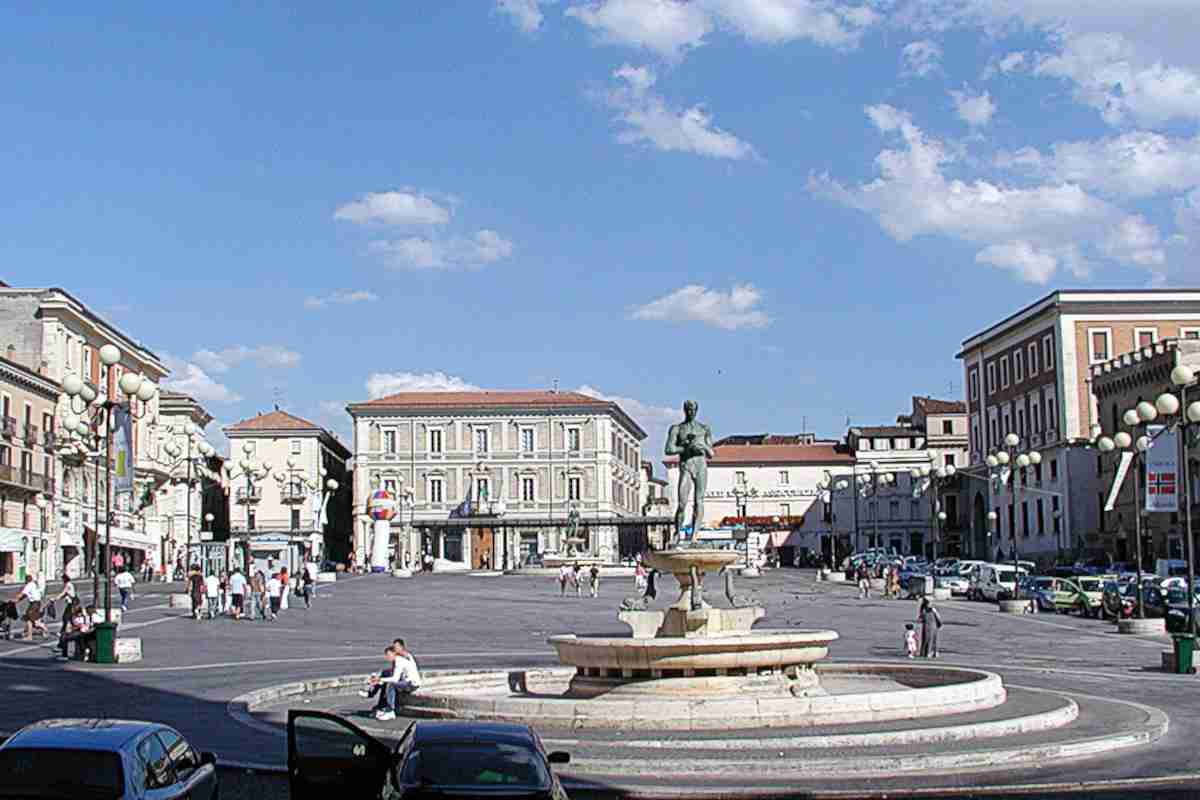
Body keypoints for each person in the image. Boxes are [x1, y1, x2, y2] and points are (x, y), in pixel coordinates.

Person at [375, 640, 422, 721]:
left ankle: (391, 711)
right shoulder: (398, 659)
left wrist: (379, 679)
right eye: (386, 655)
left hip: (412, 683)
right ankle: (382, 706)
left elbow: (395, 679)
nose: (387, 657)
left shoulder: (401, 660)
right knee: (386, 679)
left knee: (391, 684)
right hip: (407, 681)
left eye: (389, 655)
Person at [12, 575, 47, 640]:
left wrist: (15, 598)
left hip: (34, 604)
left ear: (26, 580)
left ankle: (42, 629)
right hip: (37, 603)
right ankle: (30, 635)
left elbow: (21, 594)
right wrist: (17, 601)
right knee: (30, 619)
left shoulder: (28, 585)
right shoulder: (33, 584)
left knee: (30, 619)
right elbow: (25, 595)